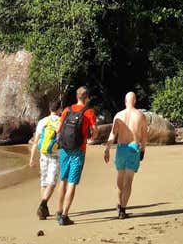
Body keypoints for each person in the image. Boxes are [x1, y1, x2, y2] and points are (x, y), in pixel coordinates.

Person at [55, 86, 97, 226]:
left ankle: (59, 210)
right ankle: (65, 216)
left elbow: (58, 129)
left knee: (63, 179)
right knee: (72, 182)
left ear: (76, 96)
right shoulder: (89, 112)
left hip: (65, 149)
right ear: (86, 98)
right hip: (79, 150)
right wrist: (90, 137)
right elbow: (95, 132)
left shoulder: (67, 110)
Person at [104, 92, 147, 219]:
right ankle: (122, 209)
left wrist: (107, 149)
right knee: (128, 180)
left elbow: (112, 134)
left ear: (125, 101)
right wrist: (143, 150)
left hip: (121, 148)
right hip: (133, 148)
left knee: (120, 176)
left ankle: (119, 203)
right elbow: (144, 136)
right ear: (135, 101)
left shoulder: (119, 115)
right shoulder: (140, 115)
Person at [29, 101, 62, 220]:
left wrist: (32, 158)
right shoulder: (60, 121)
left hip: (43, 155)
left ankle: (44, 209)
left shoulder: (42, 122)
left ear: (49, 109)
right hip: (55, 155)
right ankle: (42, 204)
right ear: (59, 109)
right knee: (52, 183)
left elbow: (35, 142)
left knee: (44, 182)